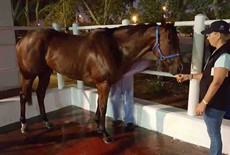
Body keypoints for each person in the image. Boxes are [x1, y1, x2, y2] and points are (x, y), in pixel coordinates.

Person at [175, 20, 230, 155]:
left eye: (209, 34)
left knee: (214, 135)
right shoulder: (218, 53)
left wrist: (203, 103)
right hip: (213, 103)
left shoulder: (224, 55)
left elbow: (217, 82)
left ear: (218, 35)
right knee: (213, 134)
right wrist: (189, 76)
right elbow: (207, 76)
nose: (207, 37)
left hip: (214, 103)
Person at [110, 59, 151, 131]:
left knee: (128, 98)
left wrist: (129, 72)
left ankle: (129, 121)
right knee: (114, 98)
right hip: (116, 77)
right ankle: (116, 118)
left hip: (126, 76)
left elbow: (145, 62)